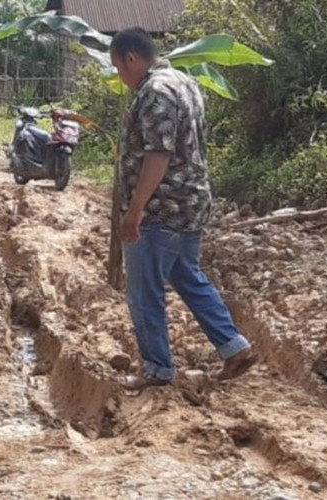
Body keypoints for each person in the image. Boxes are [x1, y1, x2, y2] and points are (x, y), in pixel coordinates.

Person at [110, 27, 257, 391]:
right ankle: (234, 347)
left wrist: (135, 211)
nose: (120, 76)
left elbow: (158, 155)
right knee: (187, 276)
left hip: (162, 208)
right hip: (191, 202)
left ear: (131, 57)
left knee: (145, 292)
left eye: (118, 67)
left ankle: (158, 369)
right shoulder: (184, 82)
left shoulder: (156, 92)